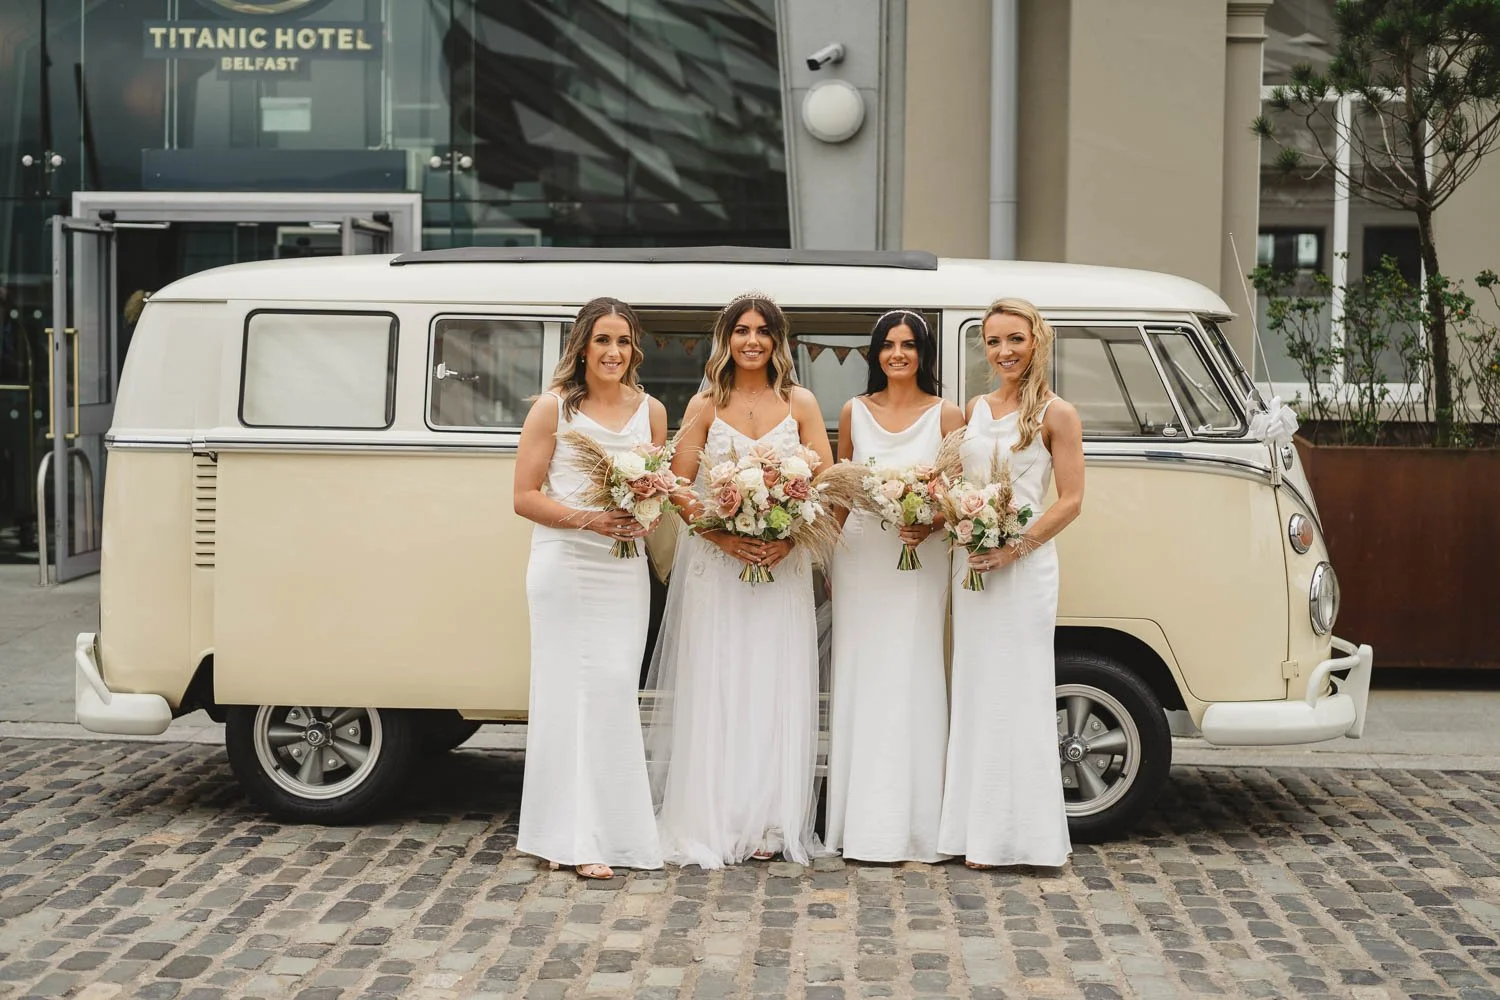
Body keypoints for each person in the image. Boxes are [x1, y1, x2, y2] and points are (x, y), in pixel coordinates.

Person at [644, 292, 832, 868]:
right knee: (719, 683)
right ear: (725, 340)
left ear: (778, 340)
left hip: (782, 568)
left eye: (763, 331)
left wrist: (789, 536)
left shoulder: (800, 402)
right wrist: (723, 534)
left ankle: (772, 824)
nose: (752, 341)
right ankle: (715, 816)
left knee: (773, 684)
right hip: (716, 568)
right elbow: (676, 486)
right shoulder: (706, 404)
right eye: (741, 330)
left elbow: (824, 478)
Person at [513, 297, 668, 879]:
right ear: (582, 347)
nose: (613, 352)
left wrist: (644, 514)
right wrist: (590, 520)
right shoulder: (553, 410)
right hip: (567, 565)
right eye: (602, 340)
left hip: (623, 567)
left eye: (623, 341)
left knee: (611, 689)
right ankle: (571, 839)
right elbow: (524, 496)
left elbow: (656, 488)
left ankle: (614, 831)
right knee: (567, 695)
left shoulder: (650, 411)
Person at [938, 297, 1084, 870]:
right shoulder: (972, 409)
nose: (1005, 352)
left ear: (1037, 341)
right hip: (973, 565)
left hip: (1024, 567)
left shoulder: (1057, 414)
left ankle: (1021, 837)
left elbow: (1071, 500)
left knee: (1019, 689)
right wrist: (951, 513)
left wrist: (1014, 548)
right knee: (976, 687)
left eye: (1015, 340)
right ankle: (974, 832)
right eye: (994, 341)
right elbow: (950, 482)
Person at [826, 310, 964, 863]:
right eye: (887, 345)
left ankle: (913, 825)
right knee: (862, 675)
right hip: (862, 557)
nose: (897, 354)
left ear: (923, 353)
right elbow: (840, 488)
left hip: (918, 555)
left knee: (912, 671)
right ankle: (860, 825)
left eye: (908, 345)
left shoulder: (947, 415)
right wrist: (828, 558)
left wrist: (928, 521)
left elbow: (956, 494)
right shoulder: (853, 412)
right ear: (875, 353)